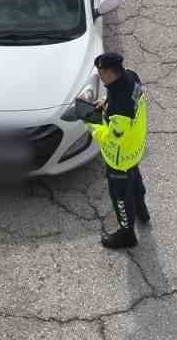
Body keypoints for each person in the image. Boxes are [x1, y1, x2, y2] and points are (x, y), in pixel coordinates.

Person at [68, 52, 149, 249]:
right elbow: (116, 96)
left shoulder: (120, 110)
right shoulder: (131, 76)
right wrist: (104, 102)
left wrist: (90, 123)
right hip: (135, 148)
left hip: (120, 159)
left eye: (100, 72)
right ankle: (142, 212)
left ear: (107, 72)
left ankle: (127, 234)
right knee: (135, 181)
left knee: (120, 197)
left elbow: (111, 138)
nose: (99, 76)